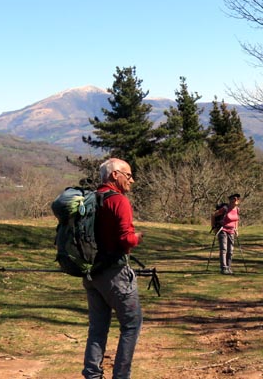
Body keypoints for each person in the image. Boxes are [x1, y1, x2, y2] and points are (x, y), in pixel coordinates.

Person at [82, 158, 143, 379]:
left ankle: (92, 375)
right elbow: (126, 239)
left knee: (97, 328)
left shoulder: (91, 199)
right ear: (115, 175)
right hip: (115, 274)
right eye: (129, 175)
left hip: (91, 273)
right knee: (131, 325)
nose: (131, 180)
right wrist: (138, 237)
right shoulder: (119, 201)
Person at [212, 193, 241, 274]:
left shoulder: (237, 209)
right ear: (230, 200)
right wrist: (214, 227)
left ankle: (229, 267)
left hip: (231, 231)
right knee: (224, 249)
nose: (236, 200)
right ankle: (224, 268)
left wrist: (236, 229)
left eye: (237, 199)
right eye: (234, 198)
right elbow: (213, 215)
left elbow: (236, 220)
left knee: (230, 250)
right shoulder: (225, 208)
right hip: (223, 230)